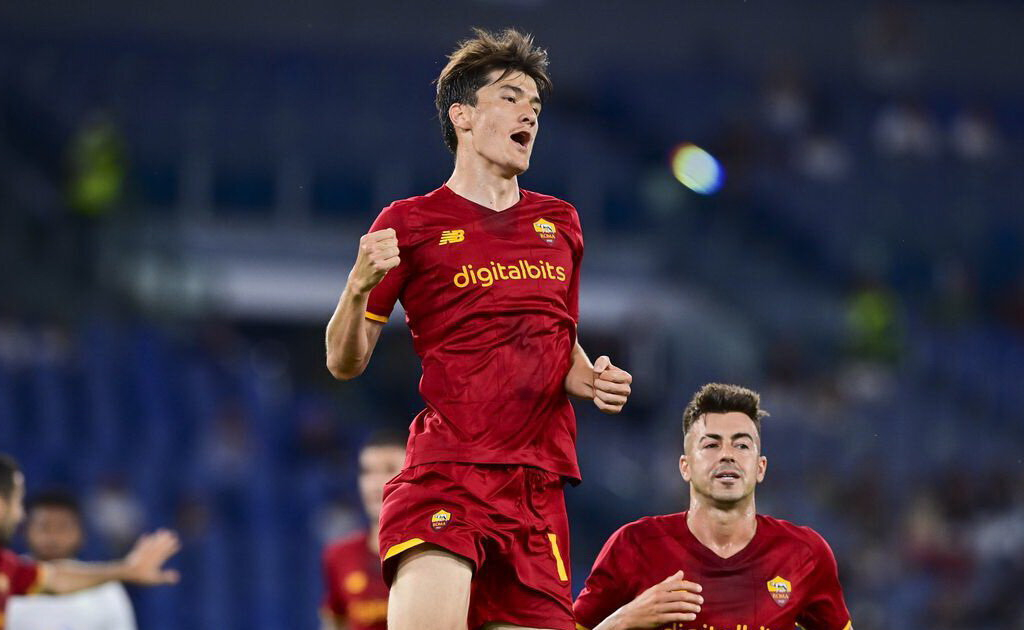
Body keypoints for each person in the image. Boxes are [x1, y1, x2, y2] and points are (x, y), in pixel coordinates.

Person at [325, 27, 633, 630]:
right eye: (511, 98)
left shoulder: (561, 223)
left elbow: (557, 336)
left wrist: (591, 377)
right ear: (462, 115)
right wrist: (358, 285)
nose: (529, 114)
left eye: (535, 105)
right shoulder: (409, 223)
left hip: (537, 490)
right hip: (450, 475)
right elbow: (343, 362)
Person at [573, 384, 852, 630]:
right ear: (685, 467)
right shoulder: (633, 546)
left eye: (741, 445)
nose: (727, 455)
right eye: (711, 445)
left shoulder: (804, 554)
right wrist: (623, 619)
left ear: (760, 467)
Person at [0, 455, 179, 630]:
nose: (19, 514)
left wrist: (126, 570)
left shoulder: (8, 568)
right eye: (16, 502)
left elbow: (55, 580)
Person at [7, 489, 137, 630]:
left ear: (80, 533)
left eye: (63, 527)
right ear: (25, 531)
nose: (53, 537)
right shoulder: (7, 575)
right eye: (44, 527)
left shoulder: (104, 585)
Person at [320, 431, 406, 630]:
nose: (375, 484)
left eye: (389, 469)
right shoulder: (339, 555)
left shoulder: (434, 555)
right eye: (367, 472)